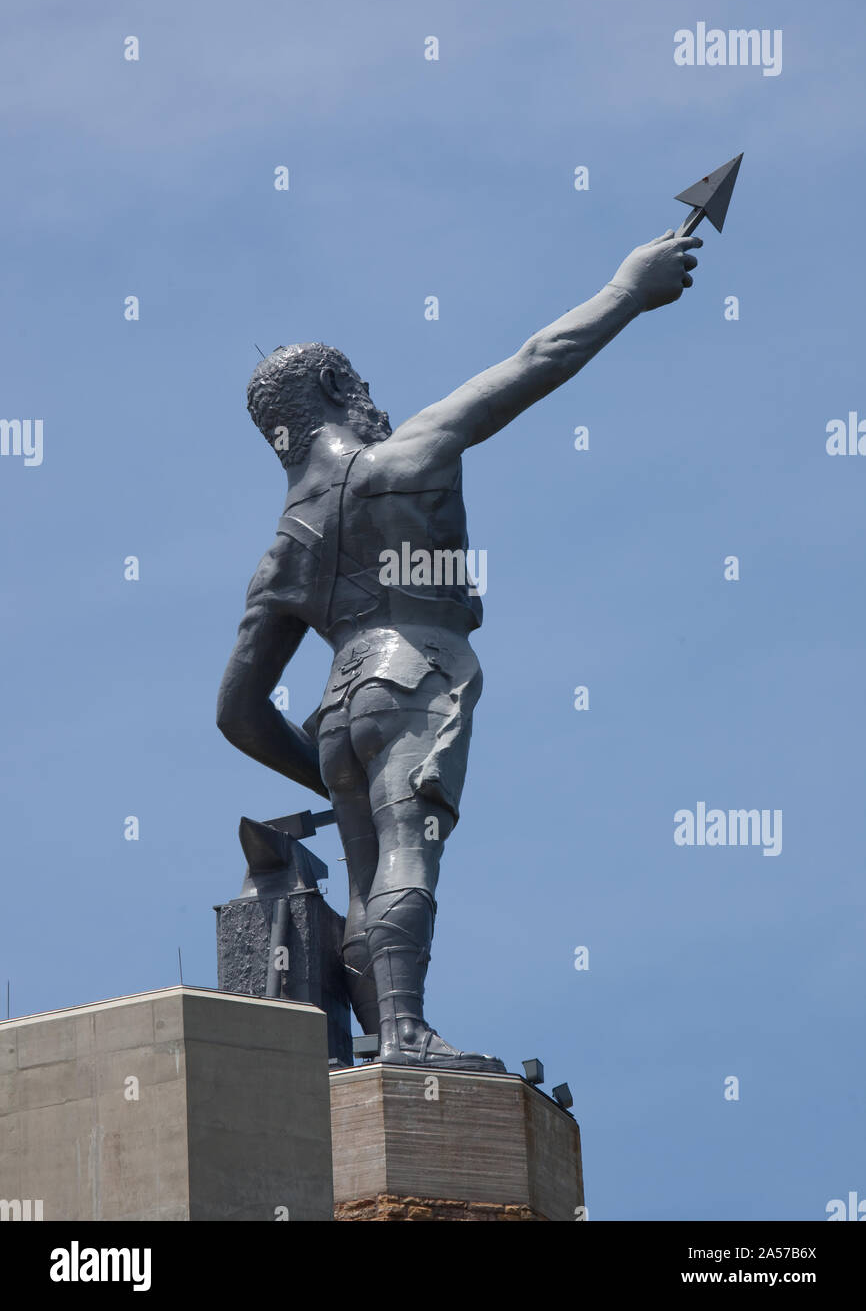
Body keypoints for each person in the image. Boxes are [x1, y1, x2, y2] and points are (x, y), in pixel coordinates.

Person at [217, 229, 702, 1070]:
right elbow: (538, 357)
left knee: (371, 873)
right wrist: (630, 288)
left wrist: (322, 773)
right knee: (411, 847)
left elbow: (237, 711)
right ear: (337, 387)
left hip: (337, 707)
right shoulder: (407, 457)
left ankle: (390, 1033)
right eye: (360, 384)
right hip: (418, 674)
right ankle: (405, 1035)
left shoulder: (284, 549)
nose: (375, 397)